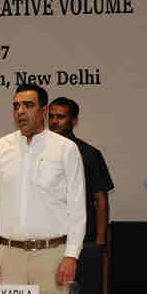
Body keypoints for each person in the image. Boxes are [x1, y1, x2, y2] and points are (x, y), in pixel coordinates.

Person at [0, 84, 85, 294]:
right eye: (16, 106)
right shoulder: (0, 148)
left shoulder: (66, 149)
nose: (20, 111)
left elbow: (77, 208)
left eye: (28, 105)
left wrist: (71, 256)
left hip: (52, 256)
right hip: (7, 256)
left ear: (43, 111)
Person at [49, 97, 114, 245]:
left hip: (82, 235)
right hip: (46, 235)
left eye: (60, 117)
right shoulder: (36, 152)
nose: (54, 121)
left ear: (73, 120)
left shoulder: (89, 154)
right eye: (51, 116)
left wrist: (100, 239)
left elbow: (101, 199)